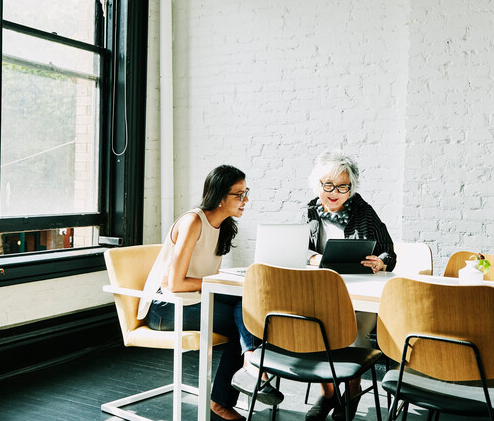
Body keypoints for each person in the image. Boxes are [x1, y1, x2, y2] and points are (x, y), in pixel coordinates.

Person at [137, 165, 281, 421]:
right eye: (239, 194)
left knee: (252, 306)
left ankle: (247, 366)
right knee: (248, 319)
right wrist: (217, 282)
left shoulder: (223, 226)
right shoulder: (193, 221)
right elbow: (176, 283)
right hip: (166, 308)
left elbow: (205, 279)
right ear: (219, 196)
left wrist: (227, 281)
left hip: (193, 301)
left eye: (246, 193)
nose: (245, 200)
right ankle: (233, 389)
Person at [303, 151, 395, 421]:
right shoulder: (310, 211)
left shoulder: (364, 212)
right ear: (317, 184)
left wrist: (381, 261)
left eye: (343, 187)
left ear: (351, 188)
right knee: (315, 327)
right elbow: (299, 249)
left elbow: (389, 251)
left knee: (353, 332)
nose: (334, 193)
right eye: (327, 186)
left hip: (362, 297)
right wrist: (313, 257)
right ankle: (329, 392)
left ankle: (352, 391)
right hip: (324, 293)